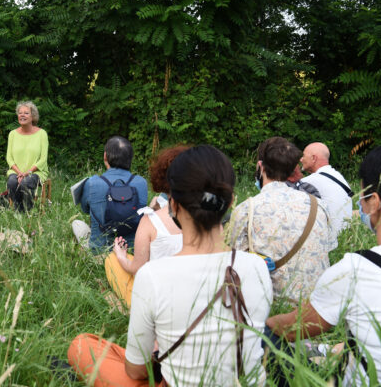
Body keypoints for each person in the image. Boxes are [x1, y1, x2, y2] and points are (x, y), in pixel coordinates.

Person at [68, 145, 273, 386]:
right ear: (230, 204)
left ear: (173, 205)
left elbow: (136, 372)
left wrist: (158, 351)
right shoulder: (257, 268)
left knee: (81, 345)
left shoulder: (152, 276)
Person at [266, 145, 381, 386]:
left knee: (264, 336)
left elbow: (292, 328)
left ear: (374, 202)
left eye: (362, 197)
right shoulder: (337, 177)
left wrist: (261, 325)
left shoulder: (357, 269)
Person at [229, 137, 336, 303]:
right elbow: (329, 248)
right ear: (292, 170)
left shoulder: (246, 209)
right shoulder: (319, 205)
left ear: (260, 167)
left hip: (270, 308)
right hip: (317, 309)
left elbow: (234, 262)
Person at [104, 145, 187, 307]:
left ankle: (127, 306)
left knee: (111, 259)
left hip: (158, 301)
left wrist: (120, 254)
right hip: (191, 295)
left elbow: (137, 269)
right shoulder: (209, 218)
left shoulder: (150, 220)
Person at [71, 136, 148, 254]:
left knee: (76, 224)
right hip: (132, 253)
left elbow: (85, 209)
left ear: (105, 156)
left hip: (101, 253)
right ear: (130, 158)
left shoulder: (92, 183)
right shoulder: (141, 183)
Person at [301, 142, 353, 235]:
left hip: (330, 236)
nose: (301, 159)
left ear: (313, 158)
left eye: (303, 156)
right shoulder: (338, 176)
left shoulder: (311, 180)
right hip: (345, 234)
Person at [6, 101, 49, 212]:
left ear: (33, 116)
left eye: (26, 113)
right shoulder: (12, 134)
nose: (22, 115)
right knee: (12, 182)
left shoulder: (42, 134)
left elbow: (43, 159)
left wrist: (28, 172)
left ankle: (28, 211)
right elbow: (9, 158)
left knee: (26, 182)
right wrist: (19, 172)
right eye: (20, 113)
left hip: (35, 172)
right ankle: (18, 210)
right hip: (16, 172)